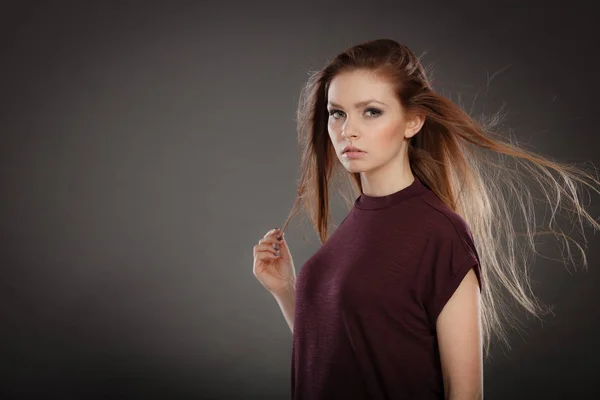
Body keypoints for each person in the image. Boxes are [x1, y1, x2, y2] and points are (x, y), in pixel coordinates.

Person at [252, 38, 600, 399]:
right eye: (337, 113)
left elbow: (465, 394)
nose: (347, 130)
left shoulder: (440, 234)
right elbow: (336, 353)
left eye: (371, 111)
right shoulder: (356, 225)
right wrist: (284, 290)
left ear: (413, 122)